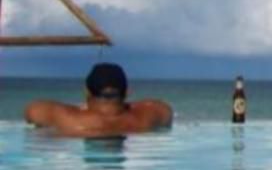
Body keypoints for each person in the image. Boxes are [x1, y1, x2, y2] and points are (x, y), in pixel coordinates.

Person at [24, 62, 173, 136]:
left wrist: (77, 109)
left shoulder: (69, 119)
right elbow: (165, 112)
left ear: (87, 92)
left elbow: (32, 112)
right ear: (126, 92)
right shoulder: (146, 116)